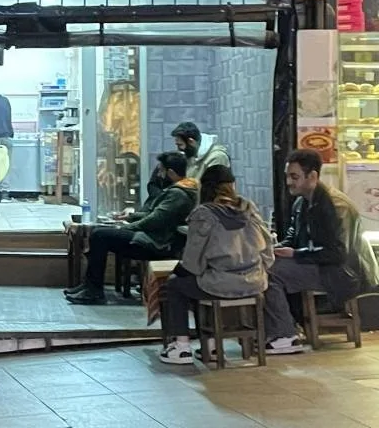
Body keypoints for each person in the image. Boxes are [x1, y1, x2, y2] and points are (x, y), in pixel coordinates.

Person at [265, 149, 378, 354]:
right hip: (318, 264)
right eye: (288, 176)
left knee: (270, 274)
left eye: (294, 177)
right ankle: (283, 330)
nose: (289, 182)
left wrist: (296, 254)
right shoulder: (301, 202)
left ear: (313, 176)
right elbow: (293, 237)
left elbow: (337, 254)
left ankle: (285, 335)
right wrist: (276, 248)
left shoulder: (336, 206)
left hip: (341, 272)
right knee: (264, 265)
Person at [159, 165, 273, 365]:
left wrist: (177, 270)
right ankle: (210, 346)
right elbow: (268, 251)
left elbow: (192, 264)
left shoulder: (204, 213)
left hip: (221, 283)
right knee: (201, 284)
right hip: (255, 282)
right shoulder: (249, 208)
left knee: (176, 286)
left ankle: (182, 346)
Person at [66, 151, 197, 305]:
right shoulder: (176, 191)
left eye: (161, 170)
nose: (159, 175)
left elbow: (155, 219)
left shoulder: (178, 195)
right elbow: (153, 213)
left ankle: (93, 290)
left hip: (155, 244)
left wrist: (128, 228)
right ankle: (89, 285)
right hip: (151, 237)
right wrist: (129, 217)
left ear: (171, 173)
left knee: (100, 236)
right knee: (98, 233)